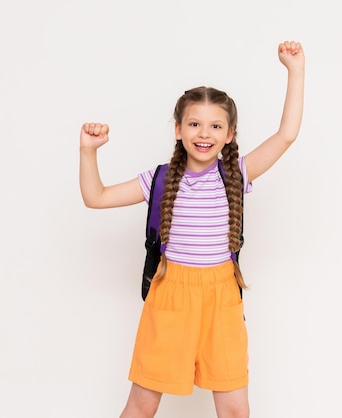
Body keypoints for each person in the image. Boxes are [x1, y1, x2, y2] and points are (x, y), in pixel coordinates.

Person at [79, 40, 305, 418]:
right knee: (141, 406)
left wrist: (295, 72)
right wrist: (89, 151)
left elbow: (286, 135)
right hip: (170, 296)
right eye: (195, 124)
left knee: (235, 410)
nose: (205, 133)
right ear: (178, 130)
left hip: (222, 298)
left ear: (230, 134)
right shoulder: (159, 180)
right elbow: (96, 197)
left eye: (216, 125)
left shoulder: (236, 174)